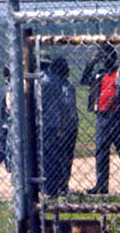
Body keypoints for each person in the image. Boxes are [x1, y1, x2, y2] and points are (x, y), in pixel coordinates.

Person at [81, 44, 120, 194]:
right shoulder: (99, 74)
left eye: (107, 56)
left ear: (114, 57)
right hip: (103, 118)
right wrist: (92, 62)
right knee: (101, 152)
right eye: (102, 57)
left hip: (119, 118)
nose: (105, 60)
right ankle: (101, 185)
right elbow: (84, 80)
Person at [38, 54, 64, 197]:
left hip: (40, 122)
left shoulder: (37, 81)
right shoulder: (56, 80)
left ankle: (44, 188)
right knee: (52, 155)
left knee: (42, 156)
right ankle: (53, 187)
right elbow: (60, 103)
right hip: (54, 122)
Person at [55, 56, 79, 195]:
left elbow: (70, 107)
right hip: (62, 126)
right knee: (60, 156)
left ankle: (64, 184)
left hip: (69, 125)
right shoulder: (58, 86)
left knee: (67, 156)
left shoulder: (69, 86)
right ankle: (59, 184)